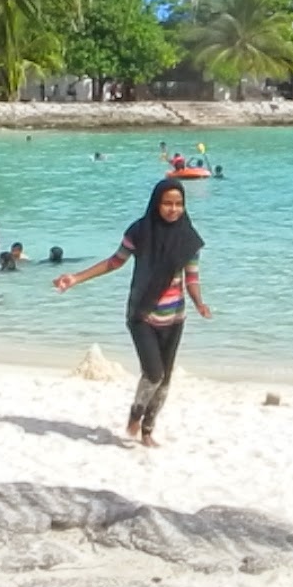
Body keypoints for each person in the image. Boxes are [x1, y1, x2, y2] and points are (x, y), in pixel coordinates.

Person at [54, 179, 211, 448]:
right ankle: (136, 412)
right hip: (142, 315)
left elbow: (192, 277)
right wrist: (76, 278)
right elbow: (114, 262)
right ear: (156, 203)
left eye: (179, 204)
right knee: (154, 374)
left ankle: (147, 430)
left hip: (175, 318)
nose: (173, 209)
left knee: (165, 381)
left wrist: (199, 302)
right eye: (167, 203)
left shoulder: (189, 239)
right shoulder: (139, 232)